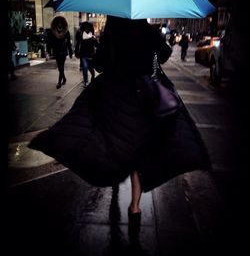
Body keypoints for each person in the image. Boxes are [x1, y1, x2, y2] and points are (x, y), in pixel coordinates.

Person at [29, 16, 210, 222]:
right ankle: (134, 207)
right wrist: (146, 57)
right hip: (144, 96)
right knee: (138, 149)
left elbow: (99, 64)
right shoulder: (145, 27)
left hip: (115, 95)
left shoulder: (113, 27)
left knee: (116, 140)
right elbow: (164, 53)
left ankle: (115, 177)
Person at [46, 16, 73, 89]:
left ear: (63, 23)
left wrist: (70, 52)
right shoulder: (52, 32)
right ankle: (64, 78)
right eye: (58, 22)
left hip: (63, 51)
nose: (60, 24)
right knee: (59, 67)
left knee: (61, 67)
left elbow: (68, 43)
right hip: (56, 51)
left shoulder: (66, 32)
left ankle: (59, 82)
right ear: (56, 23)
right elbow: (49, 43)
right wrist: (48, 52)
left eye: (61, 22)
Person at [75, 21, 99, 87]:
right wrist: (77, 53)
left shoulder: (92, 36)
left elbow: (97, 45)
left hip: (91, 56)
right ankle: (86, 82)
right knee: (85, 68)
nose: (87, 29)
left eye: (88, 28)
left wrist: (95, 40)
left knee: (91, 69)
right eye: (85, 28)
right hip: (83, 55)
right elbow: (78, 44)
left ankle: (92, 78)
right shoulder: (81, 36)